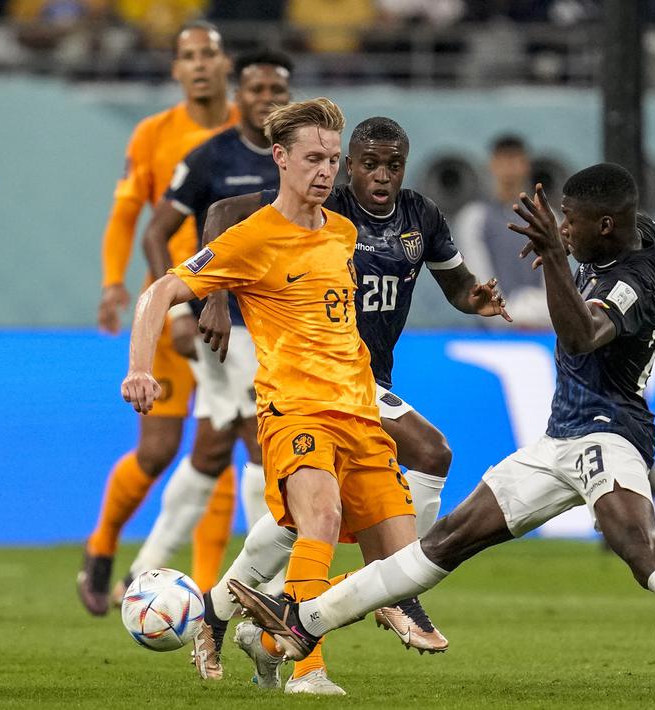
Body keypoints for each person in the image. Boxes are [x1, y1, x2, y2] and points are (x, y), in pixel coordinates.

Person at [230, 164, 655, 704]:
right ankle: (305, 622)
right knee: (448, 538)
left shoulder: (627, 287)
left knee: (638, 546)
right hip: (557, 443)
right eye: (561, 221)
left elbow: (580, 336)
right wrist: (632, 247)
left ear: (604, 226)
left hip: (609, 435)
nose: (563, 229)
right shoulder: (640, 237)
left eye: (571, 222)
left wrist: (554, 257)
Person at [121, 98, 506, 695]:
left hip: (361, 410)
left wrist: (469, 296)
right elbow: (162, 290)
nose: (325, 171)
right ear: (280, 158)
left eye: (331, 158)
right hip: (295, 409)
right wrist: (141, 367)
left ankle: (254, 628)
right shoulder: (253, 238)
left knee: (404, 574)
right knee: (318, 518)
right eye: (314, 158)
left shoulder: (344, 231)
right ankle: (308, 671)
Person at [80, 20, 241, 615]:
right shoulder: (153, 135)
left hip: (235, 314)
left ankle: (202, 591)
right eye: (188, 56)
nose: (199, 65)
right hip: (172, 309)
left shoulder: (248, 136)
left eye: (209, 54)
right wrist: (113, 283)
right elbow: (128, 216)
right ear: (175, 70)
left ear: (227, 67)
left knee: (216, 442)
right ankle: (101, 545)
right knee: (156, 451)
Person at [118, 49, 292, 594]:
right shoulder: (210, 157)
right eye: (257, 89)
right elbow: (155, 231)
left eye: (277, 91)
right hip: (228, 327)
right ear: (238, 96)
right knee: (262, 443)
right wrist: (179, 308)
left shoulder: (296, 160)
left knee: (213, 448)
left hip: (280, 324)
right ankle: (268, 584)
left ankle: (143, 568)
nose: (267, 99)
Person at [453, 134, 551, 330]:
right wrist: (508, 314)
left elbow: (553, 275)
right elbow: (478, 277)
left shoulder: (547, 217)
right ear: (492, 165)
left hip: (543, 328)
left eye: (515, 160)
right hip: (493, 331)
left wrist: (540, 313)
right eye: (504, 160)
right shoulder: (474, 217)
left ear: (526, 165)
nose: (510, 168)